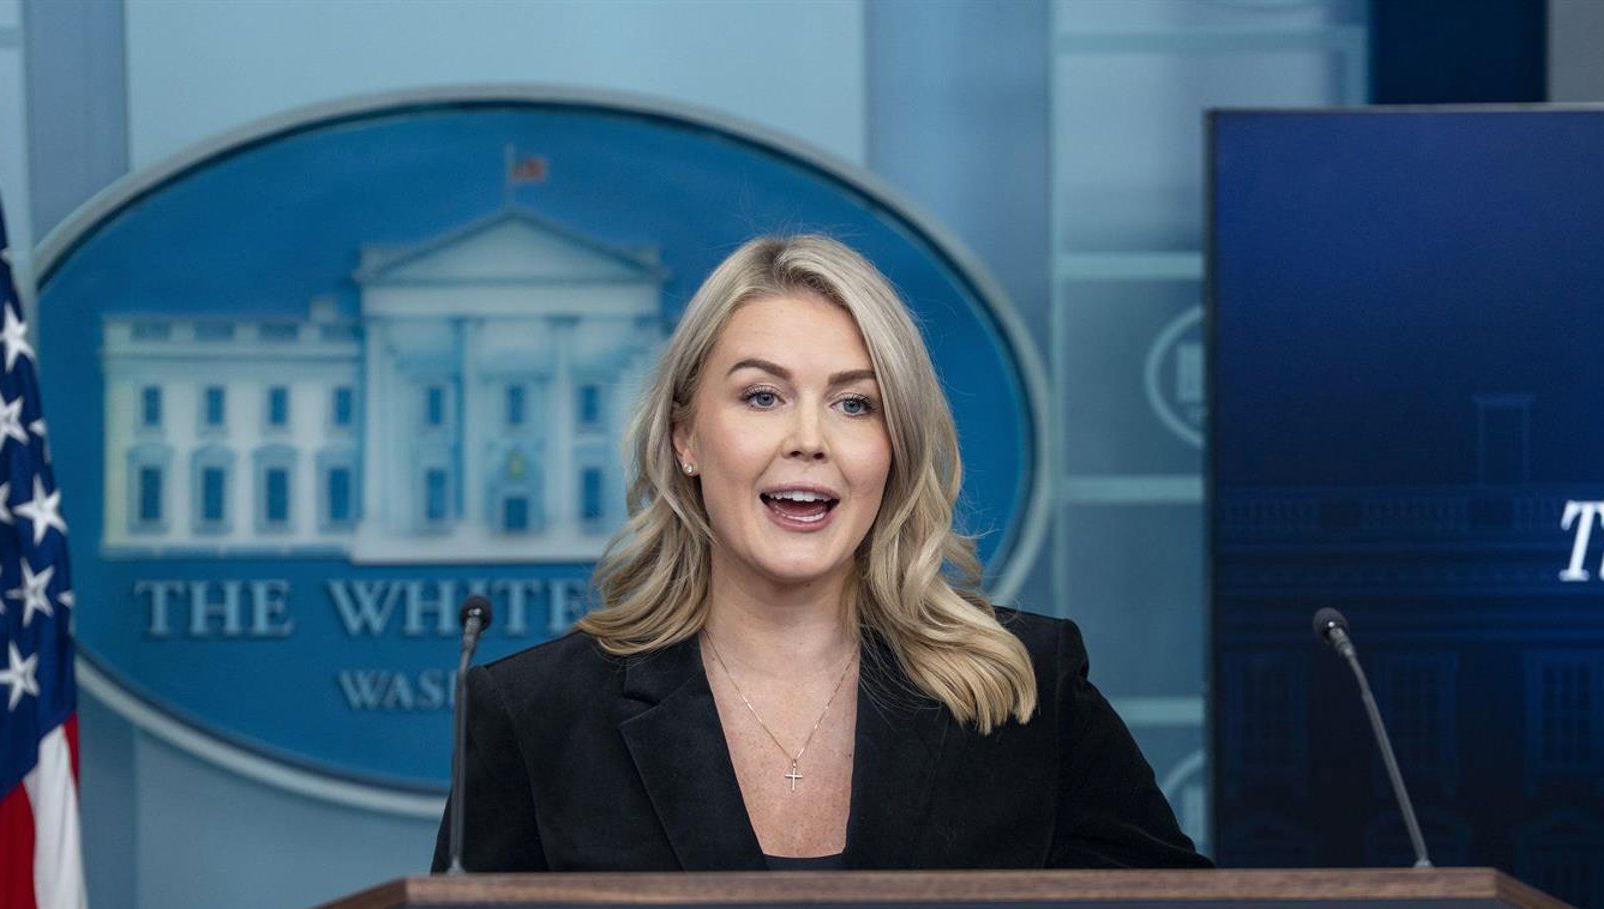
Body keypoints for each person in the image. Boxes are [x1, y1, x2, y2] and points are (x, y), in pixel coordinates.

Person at [431, 234, 1205, 873]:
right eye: (762, 396)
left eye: (854, 404)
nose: (809, 439)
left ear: (895, 448)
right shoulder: (534, 716)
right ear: (686, 438)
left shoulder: (1028, 690)